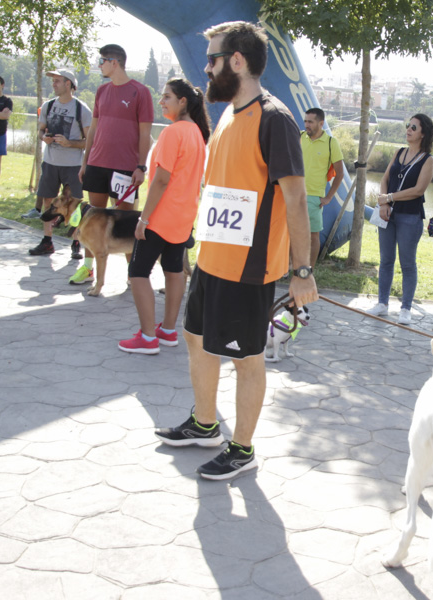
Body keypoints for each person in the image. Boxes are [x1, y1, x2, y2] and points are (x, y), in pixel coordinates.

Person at [153, 21, 318, 480]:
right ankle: (206, 424)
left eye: (212, 59)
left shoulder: (276, 119)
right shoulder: (226, 113)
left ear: (237, 62)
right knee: (196, 337)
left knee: (246, 358)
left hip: (250, 267)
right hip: (212, 257)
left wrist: (302, 271)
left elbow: (297, 198)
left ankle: (242, 448)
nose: (205, 68)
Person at [118, 78, 210, 354]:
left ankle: (147, 337)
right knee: (174, 270)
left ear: (183, 101)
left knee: (137, 273)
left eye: (166, 97)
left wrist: (143, 220)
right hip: (183, 216)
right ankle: (168, 330)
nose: (161, 101)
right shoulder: (197, 132)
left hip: (162, 216)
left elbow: (161, 180)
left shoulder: (174, 132)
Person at [71, 44, 154, 286]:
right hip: (97, 164)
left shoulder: (141, 92)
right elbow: (94, 129)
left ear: (114, 62)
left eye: (102, 61)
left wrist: (141, 166)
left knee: (126, 221)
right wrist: (85, 162)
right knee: (89, 220)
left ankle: (132, 274)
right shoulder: (101, 91)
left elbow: (144, 133)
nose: (99, 65)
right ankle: (88, 269)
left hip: (125, 169)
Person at [368, 113, 433, 325]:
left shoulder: (428, 159)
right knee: (386, 260)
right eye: (408, 126)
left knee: (407, 263)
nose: (408, 130)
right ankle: (382, 304)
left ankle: (405, 308)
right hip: (388, 214)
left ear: (423, 133)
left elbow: (418, 190)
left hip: (410, 217)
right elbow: (386, 178)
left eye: (413, 127)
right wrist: (384, 204)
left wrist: (389, 197)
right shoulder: (399, 152)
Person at [28, 69, 93, 257]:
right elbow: (40, 131)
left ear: (68, 84)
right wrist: (44, 138)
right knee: (48, 200)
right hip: (50, 162)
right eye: (53, 81)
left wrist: (70, 143)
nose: (53, 84)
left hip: (73, 165)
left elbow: (90, 141)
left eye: (57, 81)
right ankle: (47, 241)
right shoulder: (48, 106)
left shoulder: (82, 109)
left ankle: (76, 243)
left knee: (74, 204)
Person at [300, 107, 345, 267]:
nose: (307, 125)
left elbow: (339, 173)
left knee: (313, 237)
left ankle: (309, 271)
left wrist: (328, 197)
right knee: (289, 234)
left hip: (314, 197)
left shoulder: (331, 143)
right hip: (295, 194)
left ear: (321, 123)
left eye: (310, 122)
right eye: (305, 121)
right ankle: (288, 267)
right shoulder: (299, 137)